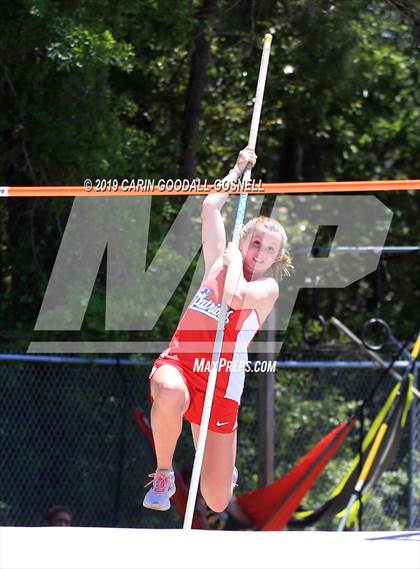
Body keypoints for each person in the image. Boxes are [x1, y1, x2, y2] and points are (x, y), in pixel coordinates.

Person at [143, 147, 292, 513]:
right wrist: (238, 170)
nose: (260, 251)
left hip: (221, 383)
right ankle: (163, 473)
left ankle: (225, 472)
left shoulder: (266, 289)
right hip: (181, 363)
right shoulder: (216, 264)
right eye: (255, 242)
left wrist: (233, 262)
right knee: (167, 391)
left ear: (277, 259)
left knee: (216, 498)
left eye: (269, 249)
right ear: (242, 240)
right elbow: (210, 206)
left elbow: (235, 295)